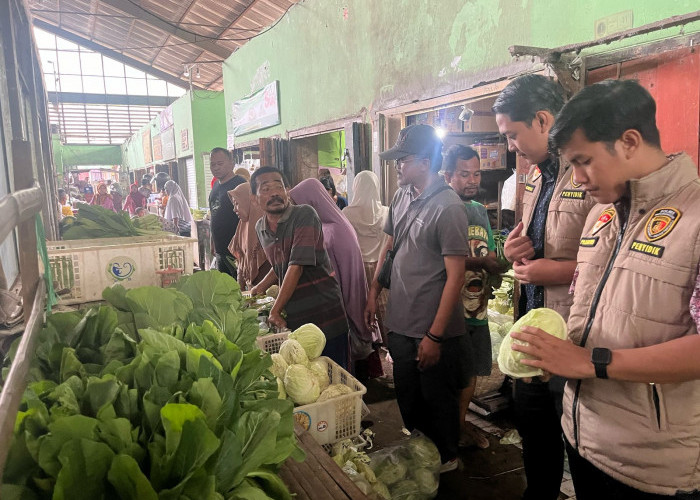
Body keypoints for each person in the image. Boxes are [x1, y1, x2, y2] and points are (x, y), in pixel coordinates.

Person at [510, 79, 700, 499]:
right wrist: (556, 353)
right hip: (585, 440)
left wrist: (589, 361)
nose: (578, 179)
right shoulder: (601, 217)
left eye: (584, 161)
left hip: (652, 466)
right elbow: (585, 309)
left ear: (629, 141)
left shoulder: (695, 220)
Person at [493, 74, 597, 500]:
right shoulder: (533, 177)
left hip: (571, 335)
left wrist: (546, 271)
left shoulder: (590, 175)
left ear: (541, 120)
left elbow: (610, 261)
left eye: (512, 135)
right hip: (532, 327)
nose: (510, 146)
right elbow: (535, 246)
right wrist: (516, 252)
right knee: (535, 439)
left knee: (582, 445)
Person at [366, 124, 469, 472]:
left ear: (424, 163)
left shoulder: (448, 207)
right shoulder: (401, 195)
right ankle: (421, 453)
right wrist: (373, 292)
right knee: (408, 398)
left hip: (432, 329)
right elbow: (388, 245)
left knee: (438, 400)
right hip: (400, 324)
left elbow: (456, 276)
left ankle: (446, 461)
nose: (396, 166)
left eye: (402, 160)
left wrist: (435, 335)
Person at [249, 167, 349, 368]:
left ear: (287, 190)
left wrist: (275, 310)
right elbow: (280, 264)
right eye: (266, 188)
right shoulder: (260, 227)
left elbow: (296, 265)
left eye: (279, 186)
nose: (275, 193)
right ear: (254, 198)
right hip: (295, 320)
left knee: (334, 378)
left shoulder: (304, 215)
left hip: (325, 316)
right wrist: (258, 288)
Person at [289, 178, 382, 378]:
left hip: (340, 303)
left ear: (311, 204)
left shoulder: (330, 231)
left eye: (299, 205)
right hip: (350, 296)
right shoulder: (338, 222)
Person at [443, 144, 501, 450]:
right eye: (464, 174)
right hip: (449, 310)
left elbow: (488, 251)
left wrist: (497, 266)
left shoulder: (479, 211)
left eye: (476, 173)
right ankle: (448, 429)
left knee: (471, 371)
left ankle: (461, 424)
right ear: (448, 175)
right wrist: (482, 263)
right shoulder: (443, 208)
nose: (472, 180)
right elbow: (442, 260)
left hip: (477, 306)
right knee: (450, 371)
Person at [342, 171, 390, 346]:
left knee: (361, 311)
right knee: (385, 311)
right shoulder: (387, 212)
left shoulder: (347, 213)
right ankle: (392, 349)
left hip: (358, 269)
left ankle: (369, 355)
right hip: (383, 268)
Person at [208, 147, 247, 280]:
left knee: (239, 287)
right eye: (213, 164)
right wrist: (213, 242)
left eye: (220, 163)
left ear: (231, 163)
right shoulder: (215, 186)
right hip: (220, 249)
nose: (216, 168)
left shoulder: (241, 185)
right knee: (225, 288)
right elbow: (214, 215)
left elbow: (249, 219)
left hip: (236, 251)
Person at [228, 182, 271, 289]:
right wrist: (241, 290)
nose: (234, 209)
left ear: (249, 201)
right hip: (252, 290)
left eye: (237, 203)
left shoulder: (268, 225)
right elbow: (240, 260)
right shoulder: (242, 225)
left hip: (270, 289)